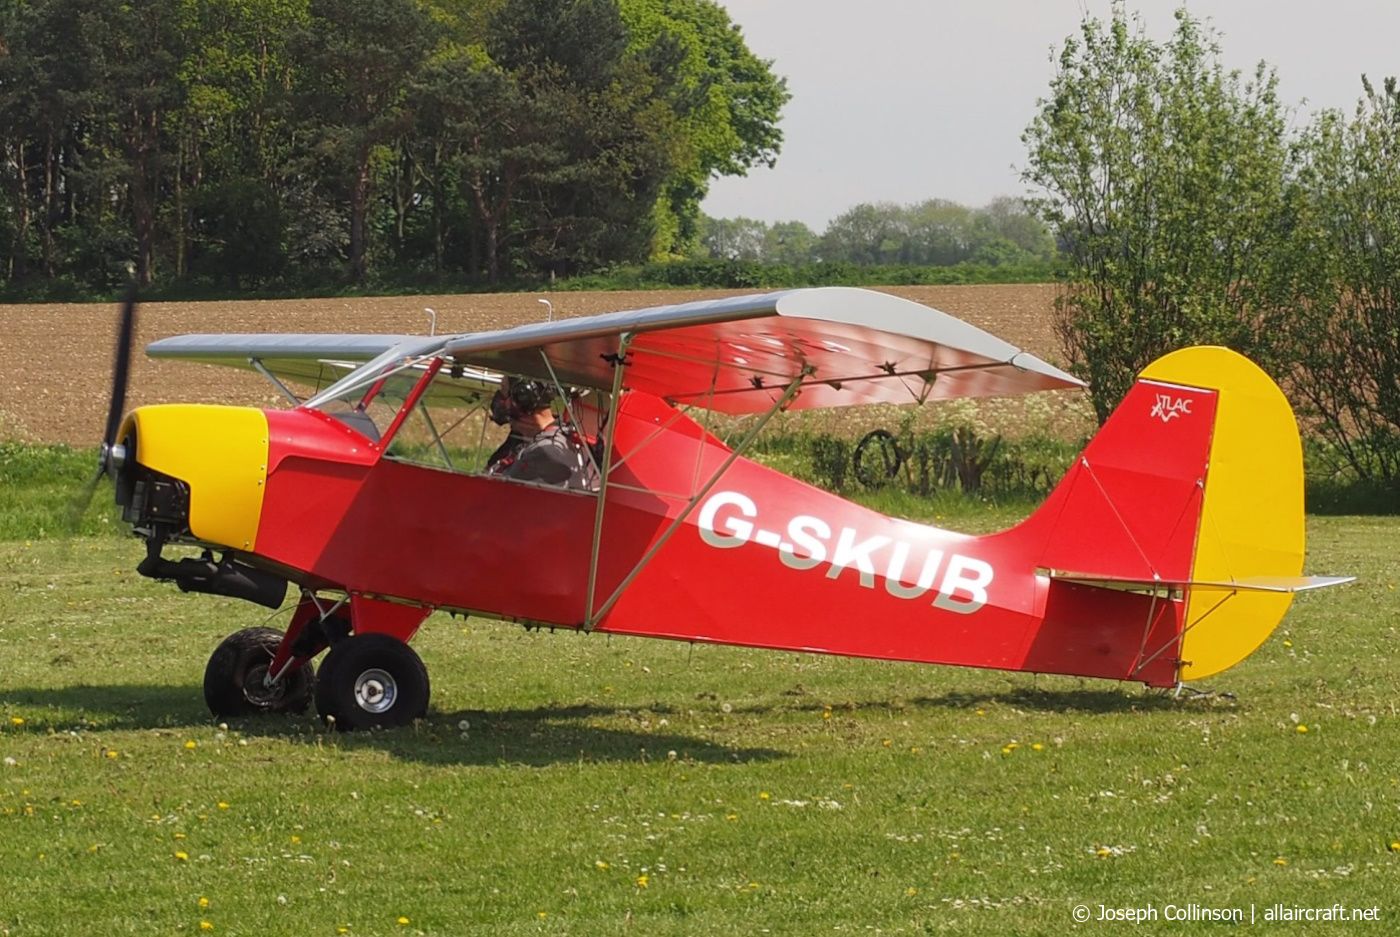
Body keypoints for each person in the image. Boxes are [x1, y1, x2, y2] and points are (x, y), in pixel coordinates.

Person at [487, 378, 600, 491]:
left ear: (523, 398)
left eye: (503, 391)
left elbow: (498, 492)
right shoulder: (550, 438)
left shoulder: (545, 451)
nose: (498, 400)